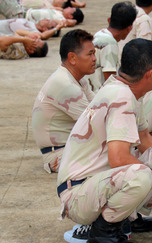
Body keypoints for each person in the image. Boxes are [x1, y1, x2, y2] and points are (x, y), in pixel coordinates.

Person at [57, 39, 152, 243]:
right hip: (78, 194)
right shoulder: (121, 97)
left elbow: (144, 138)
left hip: (92, 184)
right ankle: (104, 232)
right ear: (149, 75)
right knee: (142, 175)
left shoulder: (127, 90)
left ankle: (127, 217)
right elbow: (118, 159)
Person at [31, 29, 96, 173]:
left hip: (71, 149)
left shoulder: (78, 80)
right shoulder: (66, 85)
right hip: (58, 155)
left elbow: (99, 107)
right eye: (90, 54)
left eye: (94, 53)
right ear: (72, 58)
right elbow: (96, 124)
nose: (94, 59)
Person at [86, 1, 137, 93]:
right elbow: (110, 79)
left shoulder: (100, 34)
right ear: (130, 28)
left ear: (109, 20)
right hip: (96, 93)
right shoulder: (110, 43)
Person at [0, 18, 64, 40]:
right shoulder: (31, 23)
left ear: (45, 29)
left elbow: (43, 36)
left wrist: (56, 28)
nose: (47, 19)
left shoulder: (34, 32)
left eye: (48, 21)